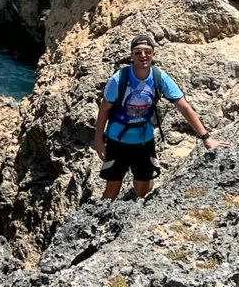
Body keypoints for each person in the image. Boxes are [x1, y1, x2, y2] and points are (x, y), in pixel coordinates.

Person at [94, 34, 224, 200]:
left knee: (142, 190)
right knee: (112, 190)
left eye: (147, 51)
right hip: (117, 140)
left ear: (153, 55)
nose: (143, 56)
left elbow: (184, 106)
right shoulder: (119, 79)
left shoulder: (159, 77)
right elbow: (104, 110)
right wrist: (98, 140)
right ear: (131, 56)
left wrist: (206, 137)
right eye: (138, 52)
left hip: (144, 140)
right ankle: (100, 220)